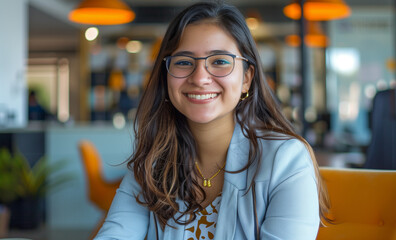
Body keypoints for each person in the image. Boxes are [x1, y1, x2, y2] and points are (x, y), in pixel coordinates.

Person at [94, 2, 329, 240]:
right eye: (184, 62)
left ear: (247, 78)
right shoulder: (153, 162)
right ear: (166, 78)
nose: (200, 78)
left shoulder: (286, 160)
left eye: (219, 61)